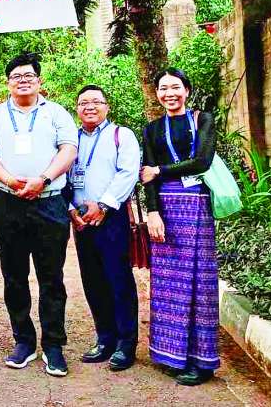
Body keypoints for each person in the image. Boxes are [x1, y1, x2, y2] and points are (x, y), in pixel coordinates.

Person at [0, 53, 78, 377]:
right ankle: (23, 341)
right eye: (16, 77)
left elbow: (68, 149)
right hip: (8, 203)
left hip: (49, 202)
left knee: (52, 277)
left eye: (28, 76)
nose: (22, 81)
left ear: (39, 81)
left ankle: (53, 345)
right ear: (8, 83)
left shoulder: (56, 113)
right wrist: (10, 180)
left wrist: (43, 179)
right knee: (14, 275)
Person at [140, 68, 219, 386]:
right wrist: (152, 212)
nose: (169, 93)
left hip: (196, 207)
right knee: (168, 284)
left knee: (198, 283)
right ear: (157, 93)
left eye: (175, 87)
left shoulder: (202, 120)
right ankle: (172, 355)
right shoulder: (151, 129)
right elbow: (146, 175)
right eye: (163, 88)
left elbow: (202, 161)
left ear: (187, 90)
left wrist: (160, 170)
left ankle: (202, 362)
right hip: (165, 211)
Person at [67, 85, 140, 371]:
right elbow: (62, 175)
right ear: (77, 108)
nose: (90, 107)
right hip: (81, 220)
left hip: (111, 217)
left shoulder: (121, 135)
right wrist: (71, 209)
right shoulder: (70, 139)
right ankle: (105, 338)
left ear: (107, 106)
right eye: (83, 102)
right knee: (93, 280)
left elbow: (128, 173)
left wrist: (104, 205)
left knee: (118, 279)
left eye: (96, 101)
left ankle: (126, 343)